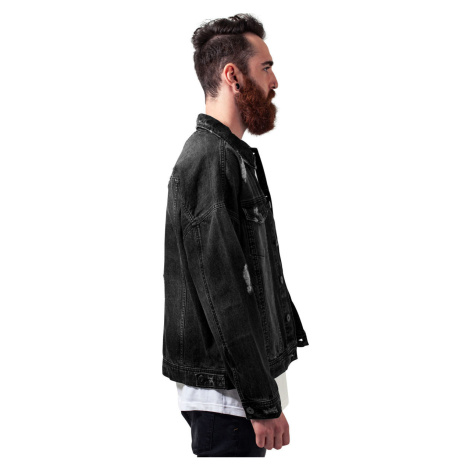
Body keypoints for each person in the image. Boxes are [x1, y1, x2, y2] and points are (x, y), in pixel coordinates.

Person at [162, 13, 310, 457]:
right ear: (233, 76)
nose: (275, 81)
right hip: (228, 403)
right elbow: (222, 292)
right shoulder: (210, 159)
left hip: (235, 394)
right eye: (266, 68)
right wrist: (262, 404)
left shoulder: (229, 156)